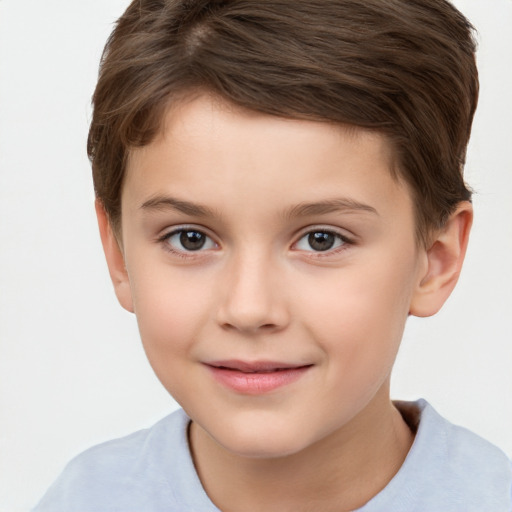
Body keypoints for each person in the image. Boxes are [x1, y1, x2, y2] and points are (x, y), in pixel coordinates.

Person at [33, 0, 512, 510]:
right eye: (190, 238)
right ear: (120, 255)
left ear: (435, 260)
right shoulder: (83, 498)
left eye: (321, 239)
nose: (249, 308)